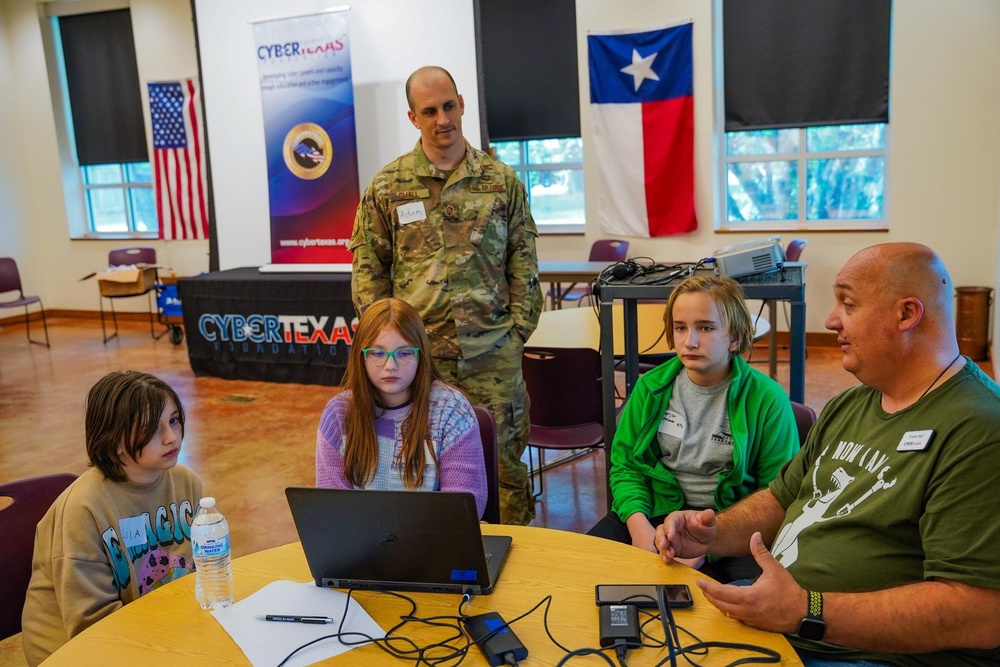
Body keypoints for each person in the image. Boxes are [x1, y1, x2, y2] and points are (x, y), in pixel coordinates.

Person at [655, 243, 1000, 666]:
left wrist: (807, 610)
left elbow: (980, 613)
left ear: (907, 314)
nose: (830, 320)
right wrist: (710, 532)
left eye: (847, 303)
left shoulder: (980, 429)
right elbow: (781, 499)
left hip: (855, 652)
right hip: (786, 624)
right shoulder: (851, 404)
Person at [350, 66, 542, 525]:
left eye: (449, 106)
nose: (443, 119)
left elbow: (524, 261)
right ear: (414, 117)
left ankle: (519, 563)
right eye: (430, 111)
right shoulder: (387, 187)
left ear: (461, 103)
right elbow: (367, 270)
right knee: (416, 463)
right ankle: (433, 558)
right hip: (417, 358)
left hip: (493, 353)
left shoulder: (500, 182)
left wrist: (516, 332)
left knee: (506, 468)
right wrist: (388, 345)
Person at [588, 275, 798, 582]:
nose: (690, 341)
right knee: (583, 571)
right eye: (680, 327)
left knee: (752, 604)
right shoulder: (650, 388)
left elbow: (777, 493)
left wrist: (707, 544)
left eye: (706, 328)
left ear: (735, 338)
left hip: (732, 525)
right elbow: (627, 466)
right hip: (655, 512)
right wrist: (639, 527)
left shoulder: (767, 399)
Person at [22, 371, 203, 666]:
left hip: (163, 632)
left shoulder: (186, 482)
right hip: (81, 651)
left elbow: (203, 572)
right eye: (152, 429)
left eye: (173, 420)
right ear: (115, 440)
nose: (172, 437)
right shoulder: (83, 508)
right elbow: (90, 624)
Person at [316, 297, 488, 518]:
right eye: (377, 353)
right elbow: (333, 512)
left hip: (435, 544)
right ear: (361, 357)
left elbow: (464, 511)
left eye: (404, 353)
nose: (390, 366)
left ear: (420, 356)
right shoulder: (338, 415)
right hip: (364, 548)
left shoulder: (451, 410)